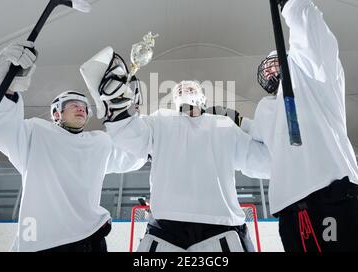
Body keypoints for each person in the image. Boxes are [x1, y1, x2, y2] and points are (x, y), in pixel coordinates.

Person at [237, 0, 358, 252]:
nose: (271, 71)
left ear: (291, 59)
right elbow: (256, 152)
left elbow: (314, 42)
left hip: (337, 198)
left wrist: (289, 0)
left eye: (277, 62)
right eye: (268, 67)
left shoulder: (314, 81)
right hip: (292, 214)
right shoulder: (265, 112)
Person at [80, 50, 270, 252]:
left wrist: (245, 125)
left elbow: (263, 162)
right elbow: (131, 137)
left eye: (190, 87)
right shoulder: (160, 119)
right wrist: (119, 110)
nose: (183, 89)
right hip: (167, 227)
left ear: (202, 97)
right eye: (179, 89)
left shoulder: (224, 124)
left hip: (221, 223)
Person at [0, 41, 145, 252]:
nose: (81, 109)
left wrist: (131, 119)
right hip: (44, 243)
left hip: (90, 240)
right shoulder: (35, 134)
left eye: (84, 107)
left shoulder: (99, 142)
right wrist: (7, 87)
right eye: (73, 105)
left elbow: (134, 156)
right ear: (56, 114)